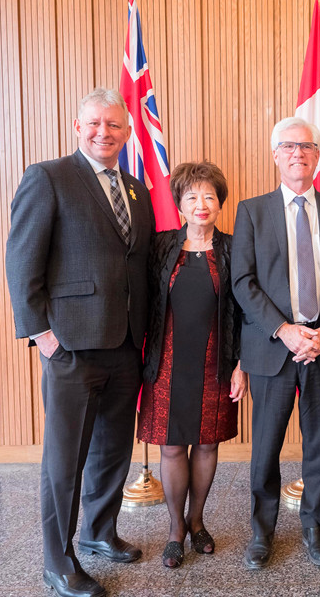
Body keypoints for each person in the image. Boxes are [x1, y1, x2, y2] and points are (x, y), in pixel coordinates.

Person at [5, 87, 154, 597]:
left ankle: (98, 532)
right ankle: (58, 561)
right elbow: (22, 260)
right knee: (65, 460)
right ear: (77, 126)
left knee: (113, 449)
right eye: (94, 123)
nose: (103, 132)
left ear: (127, 133)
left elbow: (138, 264)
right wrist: (42, 334)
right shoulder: (48, 177)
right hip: (70, 345)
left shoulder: (136, 189)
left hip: (126, 344)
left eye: (113, 125)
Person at [232, 117, 320, 569]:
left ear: (318, 156)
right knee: (265, 447)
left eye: (306, 146)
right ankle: (262, 532)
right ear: (275, 155)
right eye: (288, 146)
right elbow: (243, 282)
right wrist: (283, 330)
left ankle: (315, 528)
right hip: (272, 348)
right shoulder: (252, 211)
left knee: (318, 447)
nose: (298, 153)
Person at [137, 161, 247, 568]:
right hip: (166, 362)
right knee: (170, 445)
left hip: (216, 361)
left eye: (209, 197)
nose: (201, 204)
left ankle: (197, 520)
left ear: (220, 203)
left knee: (206, 443)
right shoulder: (160, 246)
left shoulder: (234, 248)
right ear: (180, 204)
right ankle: (175, 530)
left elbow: (246, 311)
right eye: (192, 197)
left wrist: (242, 364)